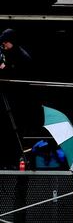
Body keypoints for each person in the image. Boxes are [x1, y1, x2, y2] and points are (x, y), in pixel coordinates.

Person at [0, 28, 35, 169]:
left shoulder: (21, 56)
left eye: (6, 43)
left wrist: (6, 67)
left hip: (18, 100)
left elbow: (20, 74)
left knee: (15, 132)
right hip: (8, 96)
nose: (4, 46)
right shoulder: (7, 53)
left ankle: (13, 161)